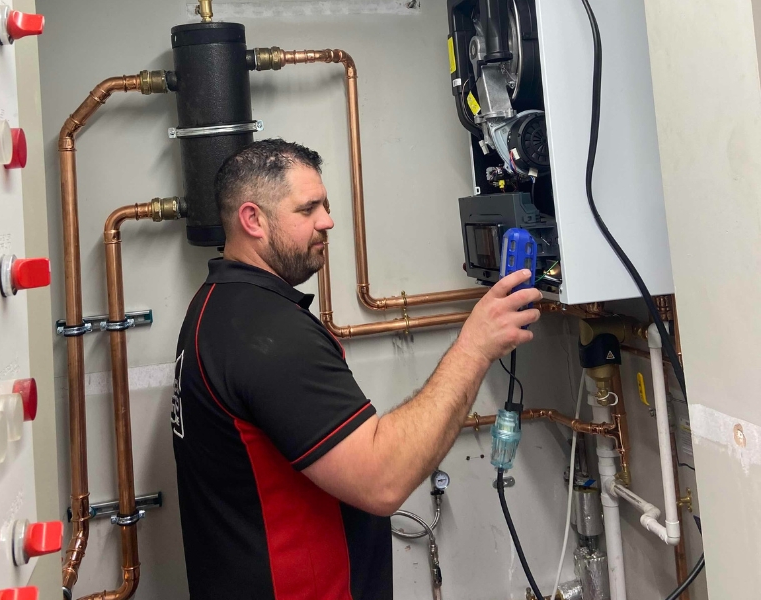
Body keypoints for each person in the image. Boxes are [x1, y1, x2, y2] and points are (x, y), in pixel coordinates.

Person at [172, 139, 542, 599]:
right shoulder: (264, 333)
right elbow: (381, 480)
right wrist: (474, 347)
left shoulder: (214, 306)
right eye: (308, 209)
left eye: (324, 204)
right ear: (253, 220)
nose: (327, 220)